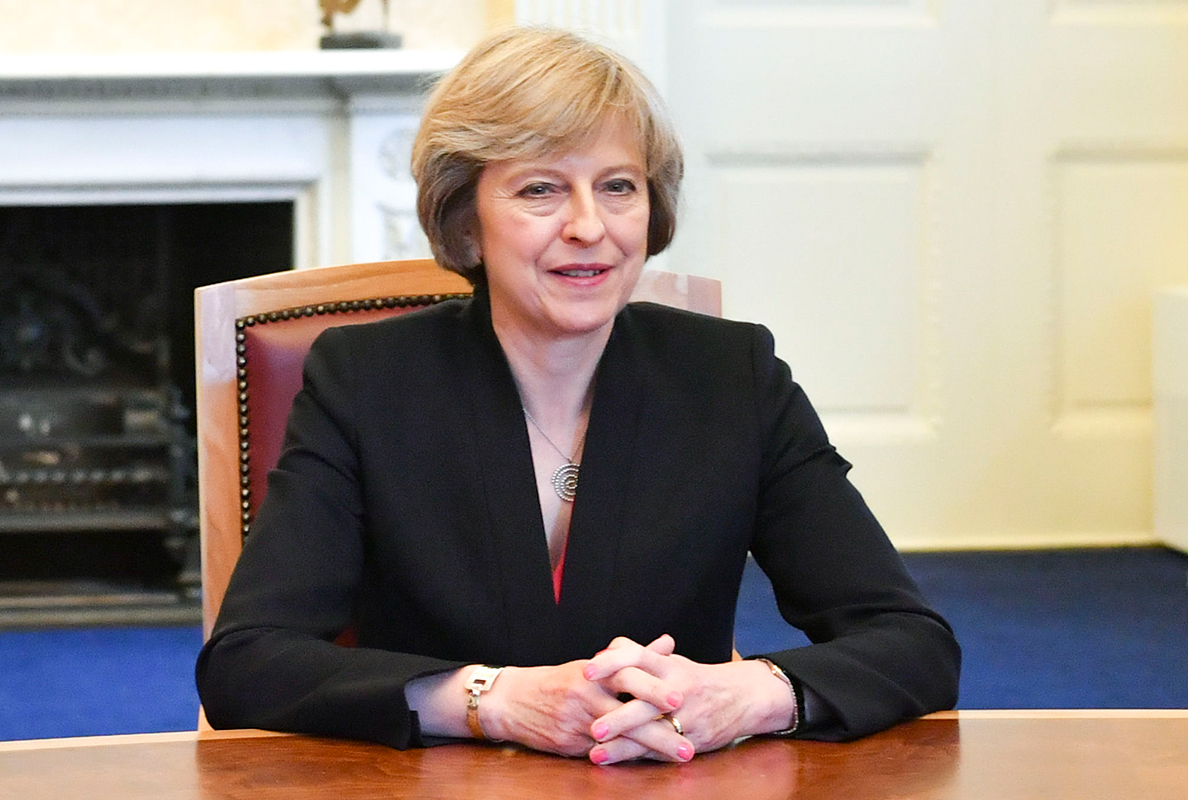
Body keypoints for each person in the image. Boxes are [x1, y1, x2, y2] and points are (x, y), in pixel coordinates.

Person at [196, 26, 960, 765]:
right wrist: (489, 700)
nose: (589, 226)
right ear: (467, 221)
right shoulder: (367, 381)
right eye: (541, 190)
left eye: (618, 187)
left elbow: (913, 643)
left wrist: (747, 694)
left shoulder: (733, 376)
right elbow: (247, 663)